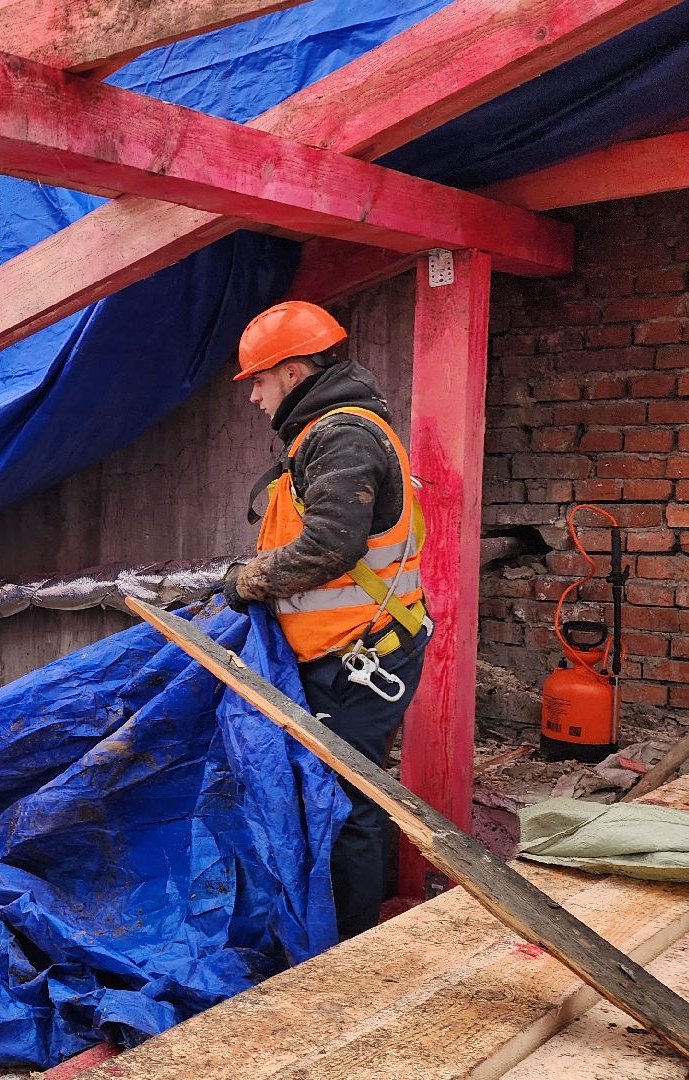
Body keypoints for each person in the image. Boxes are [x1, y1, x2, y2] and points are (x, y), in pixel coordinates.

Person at [220, 300, 431, 940]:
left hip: (361, 660)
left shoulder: (342, 435)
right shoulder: (324, 433)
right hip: (346, 654)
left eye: (258, 380)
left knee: (346, 807)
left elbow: (330, 545)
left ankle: (347, 953)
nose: (254, 396)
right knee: (335, 798)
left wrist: (246, 582)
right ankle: (330, 933)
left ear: (291, 372)